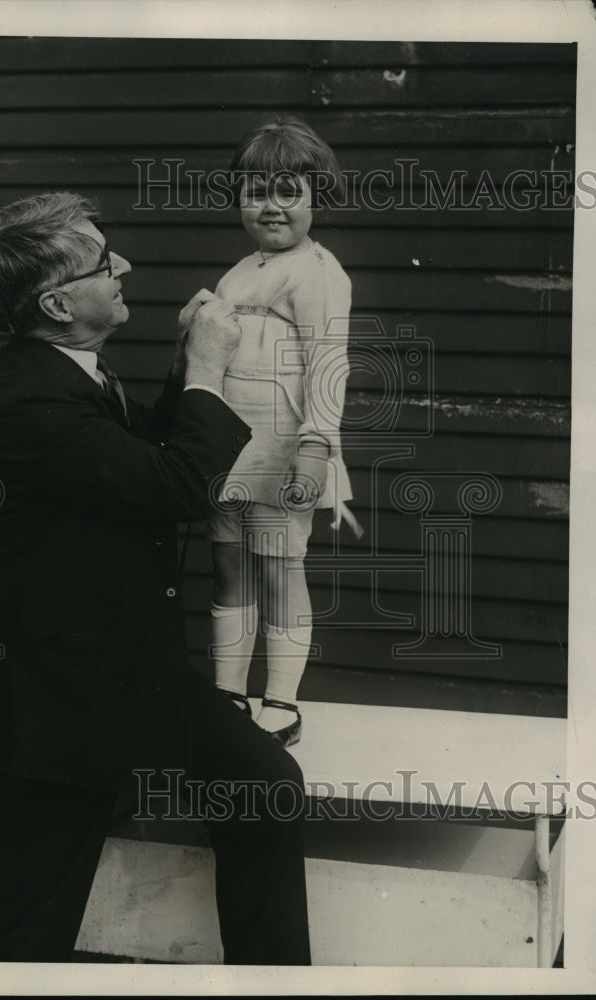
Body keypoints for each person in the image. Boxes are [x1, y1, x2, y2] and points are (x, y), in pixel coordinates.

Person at [0, 191, 311, 965]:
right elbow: (173, 486)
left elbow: (146, 455)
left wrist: (184, 369)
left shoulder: (76, 375)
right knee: (33, 930)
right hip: (43, 706)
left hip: (124, 672)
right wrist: (207, 366)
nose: (126, 268)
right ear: (58, 300)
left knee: (262, 787)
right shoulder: (27, 398)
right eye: (105, 263)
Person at [205, 119, 362, 747]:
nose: (270, 205)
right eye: (254, 191)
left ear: (314, 195)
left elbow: (329, 362)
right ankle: (227, 692)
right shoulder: (240, 271)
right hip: (227, 443)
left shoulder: (318, 272)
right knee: (227, 560)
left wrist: (315, 448)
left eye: (287, 191)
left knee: (276, 564)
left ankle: (282, 700)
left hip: (281, 444)